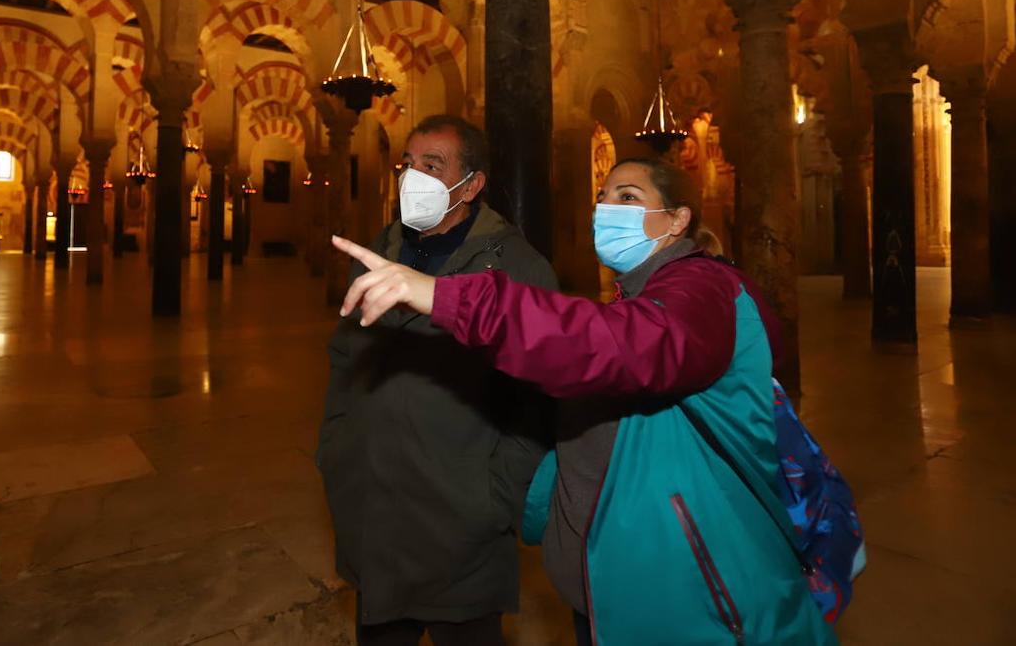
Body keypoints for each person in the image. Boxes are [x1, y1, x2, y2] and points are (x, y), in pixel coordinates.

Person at [330, 158, 836, 646]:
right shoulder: (637, 295)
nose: (605, 209)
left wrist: (448, 298)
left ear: (678, 219)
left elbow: (626, 346)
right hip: (616, 593)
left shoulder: (702, 289)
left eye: (628, 197)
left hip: (691, 594)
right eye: (602, 196)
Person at [316, 114, 558, 646]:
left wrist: (493, 499)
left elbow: (536, 403)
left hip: (460, 531)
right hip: (375, 518)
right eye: (408, 163)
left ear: (471, 185)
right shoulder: (378, 253)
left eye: (433, 165)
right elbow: (344, 360)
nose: (413, 178)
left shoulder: (516, 270)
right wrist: (336, 448)